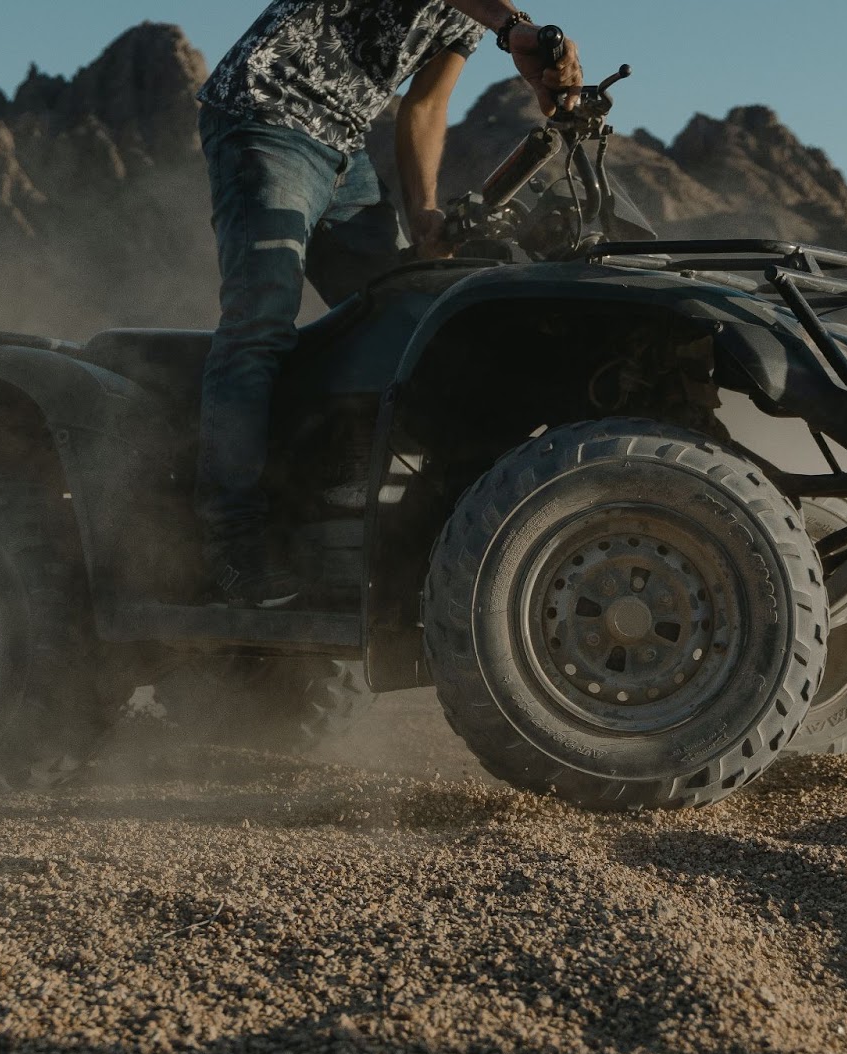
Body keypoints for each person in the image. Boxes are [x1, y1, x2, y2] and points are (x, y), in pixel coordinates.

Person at [194, 1, 584, 608]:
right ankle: (230, 545)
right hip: (267, 111)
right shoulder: (500, 17)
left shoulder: (488, 16)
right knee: (260, 321)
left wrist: (423, 213)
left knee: (398, 319)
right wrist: (513, 30)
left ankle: (334, 512)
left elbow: (425, 107)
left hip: (341, 149)